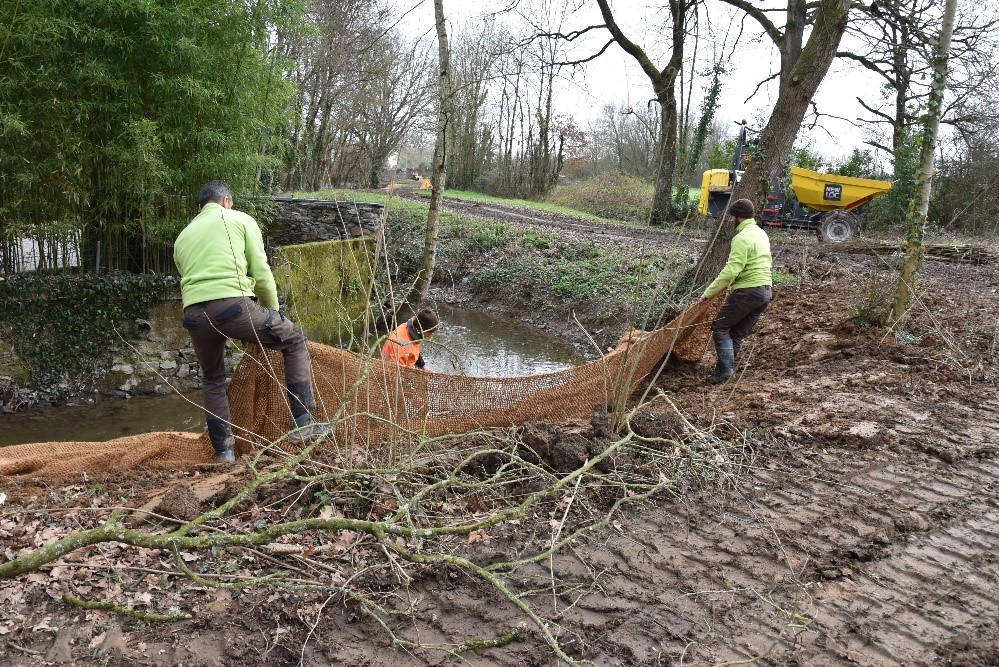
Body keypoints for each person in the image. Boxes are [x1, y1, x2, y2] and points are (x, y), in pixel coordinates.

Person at [174, 180, 326, 463]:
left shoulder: (183, 236)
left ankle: (224, 453)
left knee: (213, 379)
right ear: (226, 201)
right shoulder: (239, 219)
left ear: (200, 207)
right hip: (233, 306)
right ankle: (304, 423)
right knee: (294, 340)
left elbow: (189, 276)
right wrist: (274, 315)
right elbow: (261, 272)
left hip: (193, 315)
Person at [699, 198, 773, 384]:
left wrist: (708, 293)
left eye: (732, 217)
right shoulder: (761, 233)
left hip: (747, 292)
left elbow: (731, 271)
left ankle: (724, 370)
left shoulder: (741, 238)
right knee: (736, 333)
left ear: (738, 218)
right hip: (765, 293)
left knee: (720, 326)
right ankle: (726, 369)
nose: (732, 221)